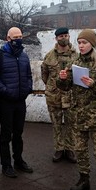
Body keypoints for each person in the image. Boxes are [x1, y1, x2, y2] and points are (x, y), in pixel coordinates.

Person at [58, 29, 96, 190]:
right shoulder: (76, 62)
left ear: (92, 43)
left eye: (84, 42)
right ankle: (84, 180)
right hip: (79, 115)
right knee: (80, 150)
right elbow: (66, 87)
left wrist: (94, 84)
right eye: (79, 42)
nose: (81, 46)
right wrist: (62, 79)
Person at [0, 27, 33, 178]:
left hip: (20, 101)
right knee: (6, 135)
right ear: (8, 38)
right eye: (15, 37)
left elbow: (28, 75)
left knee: (18, 134)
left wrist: (28, 88)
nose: (18, 39)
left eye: (20, 36)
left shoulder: (24, 56)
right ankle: (6, 165)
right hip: (6, 102)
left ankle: (19, 161)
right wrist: (5, 90)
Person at [41, 27, 79, 163]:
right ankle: (58, 148)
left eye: (66, 35)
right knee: (56, 124)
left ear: (69, 36)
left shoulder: (77, 55)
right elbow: (44, 75)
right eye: (61, 36)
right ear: (56, 38)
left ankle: (69, 149)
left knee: (71, 124)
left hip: (71, 96)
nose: (64, 38)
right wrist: (52, 87)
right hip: (54, 96)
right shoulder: (49, 56)